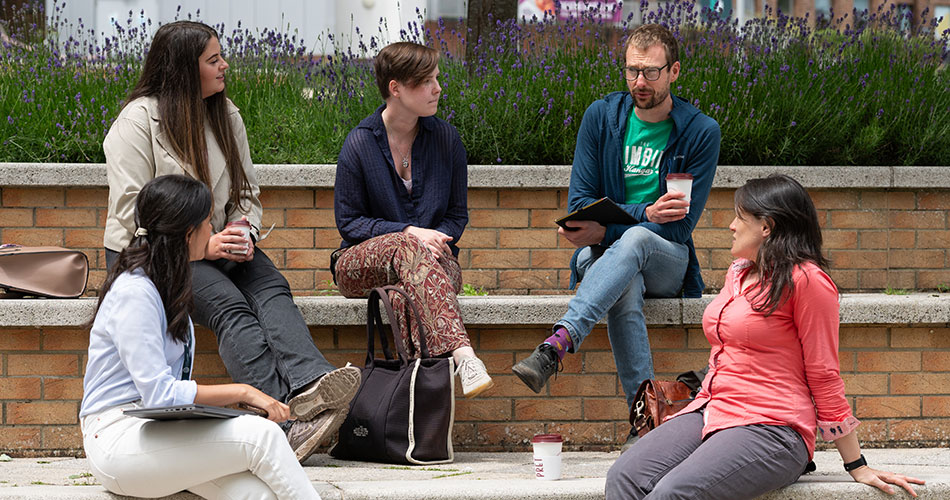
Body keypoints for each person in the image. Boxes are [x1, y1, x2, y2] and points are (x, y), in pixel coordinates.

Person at [101, 20, 359, 463]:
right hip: (157, 251)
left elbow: (245, 193)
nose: (225, 66)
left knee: (272, 287)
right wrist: (201, 244)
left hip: (216, 243)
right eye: (213, 59)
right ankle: (283, 421)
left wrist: (242, 231)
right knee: (228, 304)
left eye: (221, 56)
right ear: (185, 68)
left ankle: (313, 388)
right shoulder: (137, 121)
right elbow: (133, 213)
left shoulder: (225, 114)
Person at [606, 174, 925, 499]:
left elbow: (824, 374)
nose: (731, 225)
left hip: (774, 427)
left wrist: (856, 464)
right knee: (624, 477)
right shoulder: (739, 272)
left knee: (674, 493)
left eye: (740, 217)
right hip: (713, 408)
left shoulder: (808, 282)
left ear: (767, 227)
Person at [511, 23, 720, 450]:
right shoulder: (602, 117)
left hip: (667, 258)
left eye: (651, 72)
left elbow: (678, 226)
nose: (639, 83)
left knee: (639, 243)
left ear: (674, 71)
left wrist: (608, 228)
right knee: (625, 284)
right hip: (605, 259)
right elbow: (581, 199)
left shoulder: (700, 131)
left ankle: (558, 342)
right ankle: (643, 422)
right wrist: (644, 212)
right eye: (631, 72)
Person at [81, 174, 322, 499]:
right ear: (187, 234)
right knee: (263, 436)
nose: (213, 231)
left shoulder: (167, 283)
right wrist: (246, 392)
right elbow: (161, 395)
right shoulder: (135, 293)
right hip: (116, 439)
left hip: (156, 431)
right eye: (208, 223)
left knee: (255, 494)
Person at [333, 41, 493, 398]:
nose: (438, 88)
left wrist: (433, 240)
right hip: (360, 264)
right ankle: (464, 356)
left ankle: (417, 404)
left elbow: (456, 215)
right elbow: (349, 222)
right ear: (396, 88)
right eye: (427, 81)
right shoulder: (359, 144)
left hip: (434, 262)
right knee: (408, 244)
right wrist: (409, 232)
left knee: (409, 296)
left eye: (437, 78)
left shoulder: (446, 140)